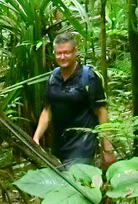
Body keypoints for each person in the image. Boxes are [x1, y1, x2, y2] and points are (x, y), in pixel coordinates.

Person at [32, 33, 116, 169]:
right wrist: (36, 138)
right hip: (58, 146)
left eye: (66, 53)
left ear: (75, 51)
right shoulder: (53, 77)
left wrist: (107, 148)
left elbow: (101, 112)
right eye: (59, 53)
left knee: (76, 183)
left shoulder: (89, 77)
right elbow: (47, 111)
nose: (62, 57)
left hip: (83, 146)